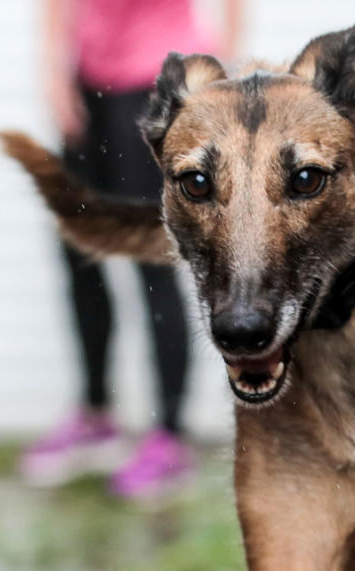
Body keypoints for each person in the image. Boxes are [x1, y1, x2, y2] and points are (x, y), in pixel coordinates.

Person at [21, 0, 234, 498]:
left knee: (150, 259)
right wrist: (54, 69)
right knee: (79, 250)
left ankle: (170, 439)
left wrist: (225, 65)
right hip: (87, 82)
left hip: (156, 85)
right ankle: (96, 415)